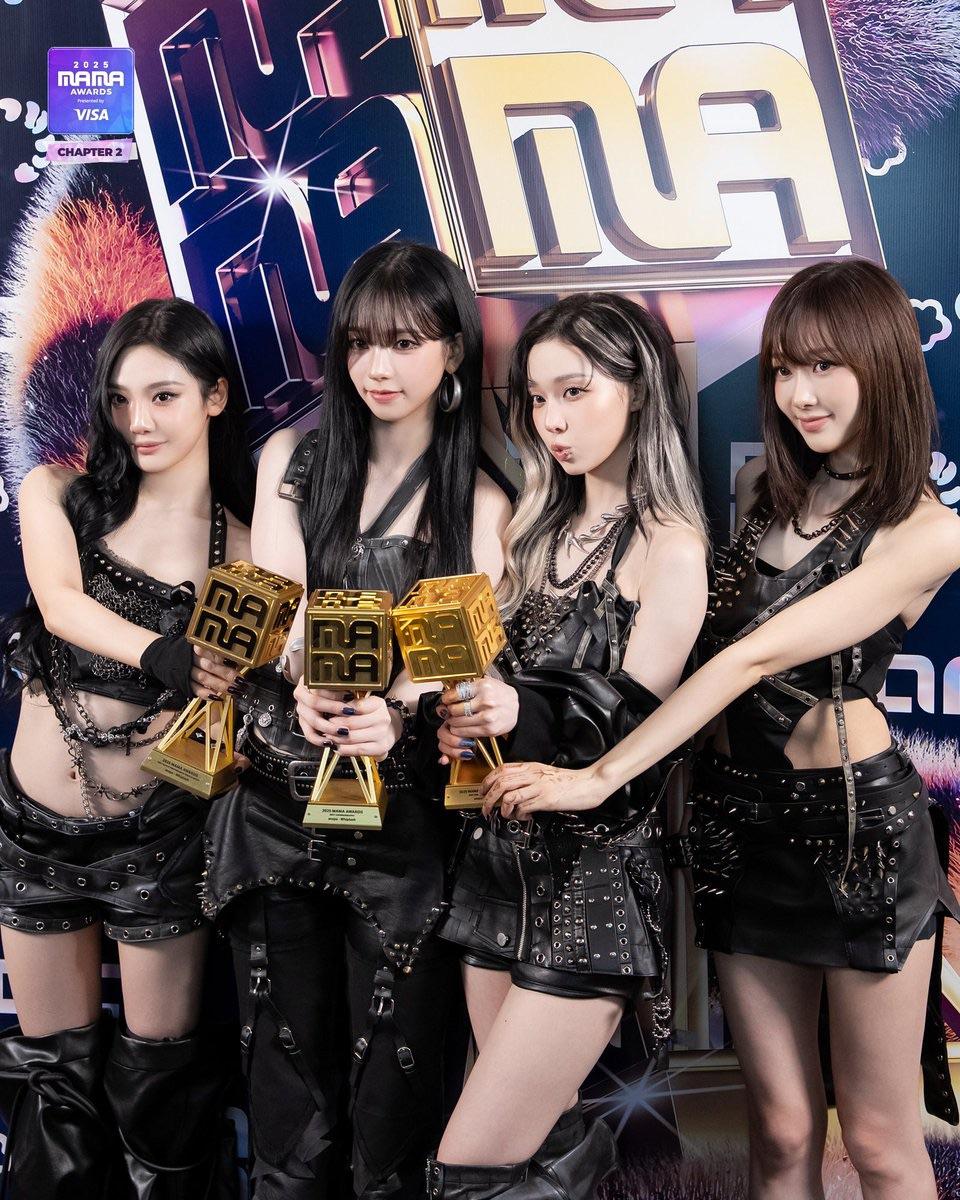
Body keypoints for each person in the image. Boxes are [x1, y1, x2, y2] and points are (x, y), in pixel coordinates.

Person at [482, 260, 960, 1200]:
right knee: (779, 1130)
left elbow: (747, 660)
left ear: (883, 364)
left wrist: (595, 778)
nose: (799, 393)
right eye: (783, 369)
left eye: (825, 366)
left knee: (877, 1139)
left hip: (857, 838)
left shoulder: (927, 530)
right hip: (739, 827)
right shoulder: (759, 489)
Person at [201, 240, 511, 1199]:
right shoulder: (292, 459)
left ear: (452, 352)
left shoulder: (483, 495)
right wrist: (306, 681)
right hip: (278, 804)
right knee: (287, 1109)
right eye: (362, 342)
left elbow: (465, 647)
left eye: (407, 343)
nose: (379, 366)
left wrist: (399, 713)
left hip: (405, 825)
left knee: (392, 1113)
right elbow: (283, 608)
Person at [426, 292, 709, 1199]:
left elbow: (636, 730)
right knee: (531, 1152)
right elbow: (485, 688)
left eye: (575, 391)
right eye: (538, 398)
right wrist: (461, 722)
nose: (551, 419)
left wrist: (519, 710)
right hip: (492, 867)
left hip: (593, 884)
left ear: (639, 388)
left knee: (470, 1169)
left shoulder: (669, 545)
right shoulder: (530, 529)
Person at [0, 297, 253, 1197]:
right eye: (120, 399)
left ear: (214, 396)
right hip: (33, 835)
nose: (137, 420)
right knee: (54, 1083)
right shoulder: (59, 493)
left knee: (161, 1090)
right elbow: (62, 604)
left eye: (163, 395)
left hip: (159, 842)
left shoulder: (246, 553)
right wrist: (164, 654)